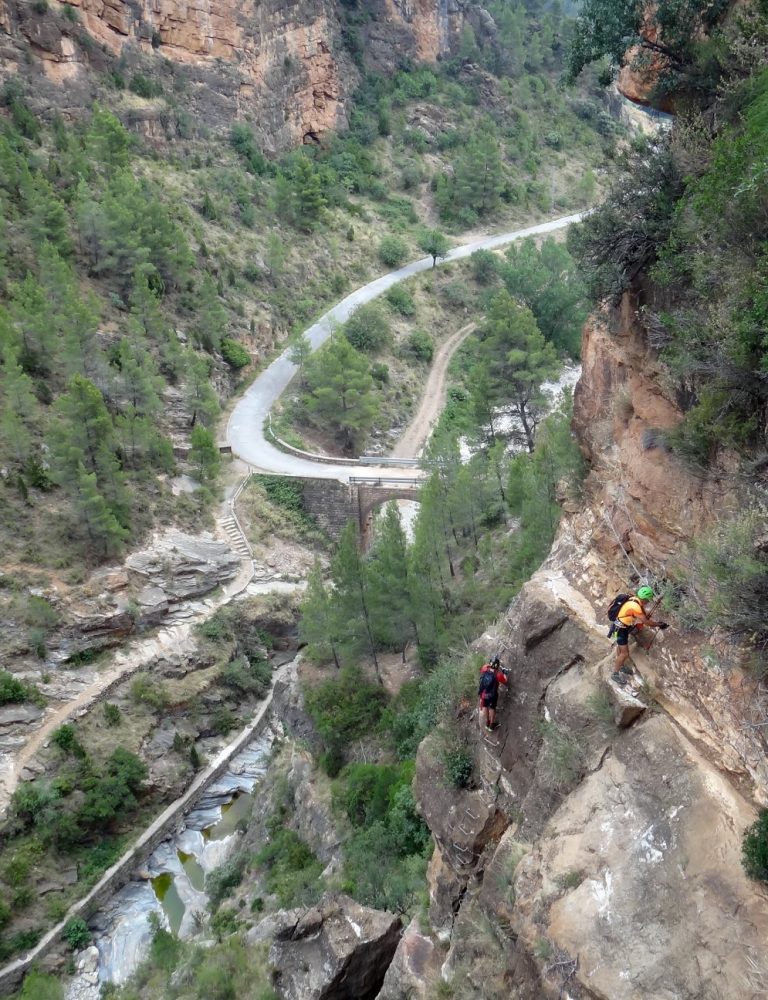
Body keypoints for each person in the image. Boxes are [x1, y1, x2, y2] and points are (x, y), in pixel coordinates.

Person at [611, 586, 668, 686]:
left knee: (621, 648)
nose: (648, 602)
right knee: (624, 654)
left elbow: (642, 617)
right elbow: (646, 621)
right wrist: (659, 624)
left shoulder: (633, 599)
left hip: (621, 626)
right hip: (621, 629)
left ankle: (621, 665)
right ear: (645, 599)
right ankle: (615, 673)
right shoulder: (636, 606)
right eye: (648, 600)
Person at [478, 656, 508, 731]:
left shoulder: (485, 668)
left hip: (483, 694)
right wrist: (504, 673)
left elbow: (484, 667)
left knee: (485, 707)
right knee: (492, 708)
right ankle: (492, 725)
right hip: (492, 695)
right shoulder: (497, 675)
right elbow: (505, 680)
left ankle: (487, 723)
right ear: (497, 667)